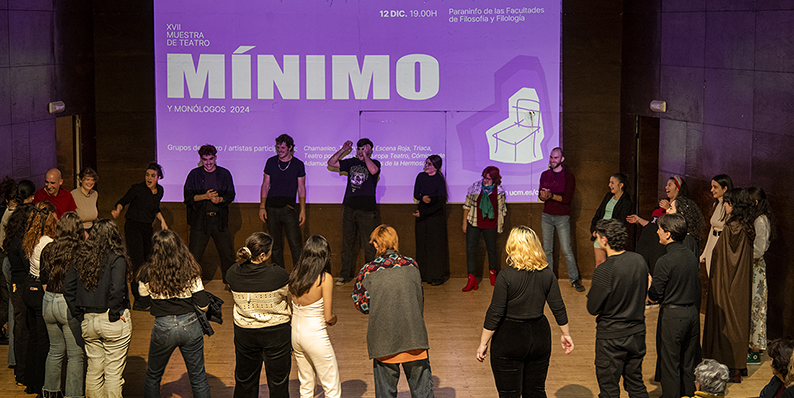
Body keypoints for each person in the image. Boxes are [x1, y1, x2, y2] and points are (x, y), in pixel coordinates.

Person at [476, 226, 574, 397]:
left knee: (509, 394)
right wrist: (566, 333)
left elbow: (495, 312)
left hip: (509, 338)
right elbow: (558, 306)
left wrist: (483, 342)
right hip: (540, 336)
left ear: (511, 247)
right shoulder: (547, 274)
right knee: (536, 392)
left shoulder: (506, 276)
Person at [352, 225, 434, 398]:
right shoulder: (413, 265)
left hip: (384, 342)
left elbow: (363, 306)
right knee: (423, 393)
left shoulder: (367, 271)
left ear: (376, 244)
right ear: (395, 242)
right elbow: (419, 298)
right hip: (414, 337)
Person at [63, 219, 132, 398]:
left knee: (94, 371)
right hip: (111, 319)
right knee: (113, 374)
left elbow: (68, 288)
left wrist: (79, 314)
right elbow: (117, 289)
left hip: (88, 320)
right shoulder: (117, 257)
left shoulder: (80, 256)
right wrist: (115, 313)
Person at [138, 229, 210, 398]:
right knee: (198, 378)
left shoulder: (146, 273)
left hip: (163, 326)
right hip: (191, 325)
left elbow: (143, 303)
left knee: (153, 376)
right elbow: (204, 304)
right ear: (179, 246)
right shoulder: (191, 270)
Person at [587, 218, 649, 398]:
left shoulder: (605, 269)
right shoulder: (638, 260)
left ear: (605, 240)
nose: (596, 239)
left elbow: (593, 307)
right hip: (636, 334)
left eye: (597, 236)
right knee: (636, 384)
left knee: (609, 390)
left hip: (611, 339)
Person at [226, 232, 291, 398]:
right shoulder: (278, 275)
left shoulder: (233, 273)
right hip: (276, 334)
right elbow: (289, 295)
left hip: (245, 334)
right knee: (278, 383)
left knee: (245, 381)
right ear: (263, 255)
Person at [702, 188, 754, 383]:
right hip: (740, 283)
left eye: (728, 202)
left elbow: (724, 258)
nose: (724, 205)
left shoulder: (733, 228)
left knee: (728, 319)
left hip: (728, 282)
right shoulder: (747, 226)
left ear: (735, 205)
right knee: (739, 318)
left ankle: (731, 367)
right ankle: (738, 364)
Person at [648, 213, 701, 398]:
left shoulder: (665, 261)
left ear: (668, 234)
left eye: (660, 229)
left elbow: (655, 296)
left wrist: (649, 284)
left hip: (673, 317)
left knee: (670, 365)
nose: (657, 232)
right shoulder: (691, 256)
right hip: (692, 315)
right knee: (688, 364)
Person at [288, 235, 340, 398]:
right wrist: (334, 318)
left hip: (296, 336)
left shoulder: (296, 275)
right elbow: (328, 317)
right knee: (331, 386)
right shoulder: (324, 278)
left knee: (306, 385)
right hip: (315, 336)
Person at [40, 211, 85, 398]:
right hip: (67, 304)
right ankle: (73, 395)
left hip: (48, 301)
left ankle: (50, 392)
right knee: (75, 355)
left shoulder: (48, 249)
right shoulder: (80, 251)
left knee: (55, 350)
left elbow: (43, 281)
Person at [111, 162, 168, 311]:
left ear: (158, 177)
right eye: (147, 175)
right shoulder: (137, 188)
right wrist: (117, 210)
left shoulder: (160, 191)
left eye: (152, 176)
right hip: (133, 226)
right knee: (137, 262)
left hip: (147, 228)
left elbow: (155, 208)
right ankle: (138, 299)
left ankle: (146, 294)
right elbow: (123, 201)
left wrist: (162, 221)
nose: (149, 178)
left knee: (148, 261)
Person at [327, 138, 381, 285]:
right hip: (349, 208)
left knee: (369, 245)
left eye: (364, 148)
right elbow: (331, 163)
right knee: (347, 243)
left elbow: (373, 171)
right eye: (359, 148)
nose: (361, 151)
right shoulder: (351, 162)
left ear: (370, 150)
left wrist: (366, 157)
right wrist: (343, 150)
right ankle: (345, 275)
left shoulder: (375, 163)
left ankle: (370, 276)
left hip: (367, 210)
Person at [184, 144, 236, 283]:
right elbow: (188, 198)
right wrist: (205, 196)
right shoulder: (194, 174)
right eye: (205, 159)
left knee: (227, 255)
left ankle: (230, 283)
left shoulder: (224, 174)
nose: (208, 163)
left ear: (216, 158)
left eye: (211, 159)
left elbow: (230, 195)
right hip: (200, 222)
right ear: (201, 159)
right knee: (194, 255)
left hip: (219, 221)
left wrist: (221, 199)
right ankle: (191, 284)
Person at [21, 202, 58, 395]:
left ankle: (30, 382)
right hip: (39, 292)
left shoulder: (30, 237)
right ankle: (42, 383)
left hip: (28, 287)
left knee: (34, 338)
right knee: (44, 340)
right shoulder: (47, 243)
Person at [538, 147, 584, 291]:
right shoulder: (544, 174)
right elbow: (540, 195)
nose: (552, 160)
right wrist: (542, 196)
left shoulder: (569, 176)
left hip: (562, 217)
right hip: (547, 215)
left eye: (556, 158)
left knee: (566, 249)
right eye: (551, 157)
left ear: (562, 159)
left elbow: (566, 199)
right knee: (547, 249)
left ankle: (574, 279)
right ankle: (549, 280)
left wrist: (550, 196)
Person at [1, 179, 35, 370]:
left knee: (16, 313)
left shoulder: (12, 212)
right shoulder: (18, 215)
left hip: (10, 261)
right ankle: (19, 360)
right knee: (19, 315)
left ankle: (16, 359)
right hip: (15, 265)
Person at [260, 133, 306, 269]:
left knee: (295, 244)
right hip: (272, 208)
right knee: (275, 245)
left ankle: (299, 274)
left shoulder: (298, 164)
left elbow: (301, 188)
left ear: (290, 148)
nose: (280, 150)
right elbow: (265, 184)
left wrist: (302, 210)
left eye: (283, 148)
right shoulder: (271, 162)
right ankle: (278, 273)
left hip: (289, 209)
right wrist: (262, 207)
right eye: (278, 147)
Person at [627, 175, 689, 276]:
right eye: (666, 185)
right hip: (647, 240)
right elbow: (653, 224)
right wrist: (638, 220)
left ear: (678, 188)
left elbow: (677, 223)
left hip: (658, 243)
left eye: (669, 185)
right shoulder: (663, 203)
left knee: (654, 271)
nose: (666, 187)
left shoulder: (682, 205)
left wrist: (668, 208)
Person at [462, 166, 507, 291]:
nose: (485, 181)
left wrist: (500, 226)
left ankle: (493, 274)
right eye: (484, 178)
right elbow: (467, 205)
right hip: (474, 221)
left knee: (492, 249)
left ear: (495, 179)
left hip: (491, 224)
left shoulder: (500, 191)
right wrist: (464, 223)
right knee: (470, 250)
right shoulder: (475, 187)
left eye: (488, 179)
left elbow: (501, 210)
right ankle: (471, 278)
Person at [748, 187, 775, 363]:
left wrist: (743, 255)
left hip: (756, 269)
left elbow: (758, 250)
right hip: (752, 269)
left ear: (755, 202)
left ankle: (756, 349)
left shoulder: (760, 220)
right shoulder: (757, 218)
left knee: (757, 307)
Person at [413, 155, 449, 286]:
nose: (426, 166)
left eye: (429, 164)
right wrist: (423, 199)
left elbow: (440, 202)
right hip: (421, 216)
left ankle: (436, 276)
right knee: (422, 246)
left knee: (435, 248)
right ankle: (423, 274)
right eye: (426, 163)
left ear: (436, 166)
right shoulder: (420, 177)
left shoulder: (439, 180)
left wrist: (424, 211)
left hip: (435, 218)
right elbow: (417, 194)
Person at [590, 173, 633, 266]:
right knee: (599, 262)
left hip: (612, 235)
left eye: (612, 183)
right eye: (610, 182)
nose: (610, 185)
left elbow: (620, 221)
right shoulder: (608, 196)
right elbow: (599, 213)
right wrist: (594, 229)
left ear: (621, 185)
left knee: (611, 263)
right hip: (600, 233)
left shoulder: (626, 201)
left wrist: (607, 232)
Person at [700, 174, 733, 276]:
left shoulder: (730, 207)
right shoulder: (716, 204)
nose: (712, 190)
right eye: (712, 187)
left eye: (715, 187)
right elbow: (711, 230)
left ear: (725, 189)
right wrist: (705, 253)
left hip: (722, 244)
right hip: (712, 243)